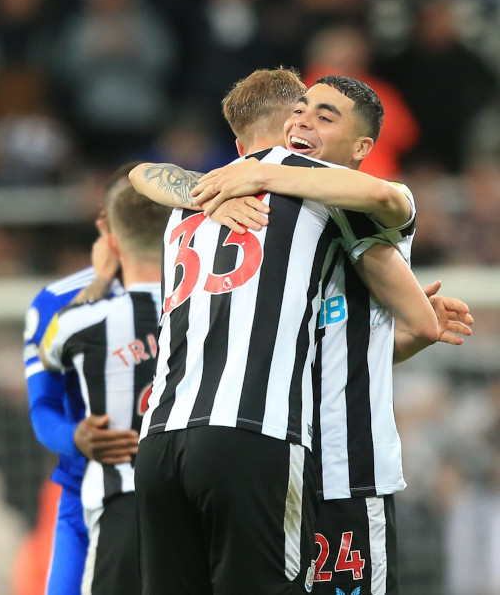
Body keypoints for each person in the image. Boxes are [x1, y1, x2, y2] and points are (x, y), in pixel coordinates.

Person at [127, 70, 444, 594]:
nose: (307, 121)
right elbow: (422, 320)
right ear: (285, 124)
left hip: (172, 438)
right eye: (302, 110)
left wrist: (225, 186)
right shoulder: (319, 198)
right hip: (268, 441)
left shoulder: (199, 198)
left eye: (324, 115)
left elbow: (143, 172)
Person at [39, 172, 169, 594]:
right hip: (200, 502)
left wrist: (98, 280)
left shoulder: (76, 319)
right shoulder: (215, 310)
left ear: (111, 242)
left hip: (120, 502)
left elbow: (49, 350)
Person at [23, 174, 138, 595]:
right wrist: (76, 437)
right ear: (105, 225)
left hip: (172, 491)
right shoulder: (55, 302)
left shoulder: (197, 291)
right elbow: (44, 408)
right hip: (84, 492)